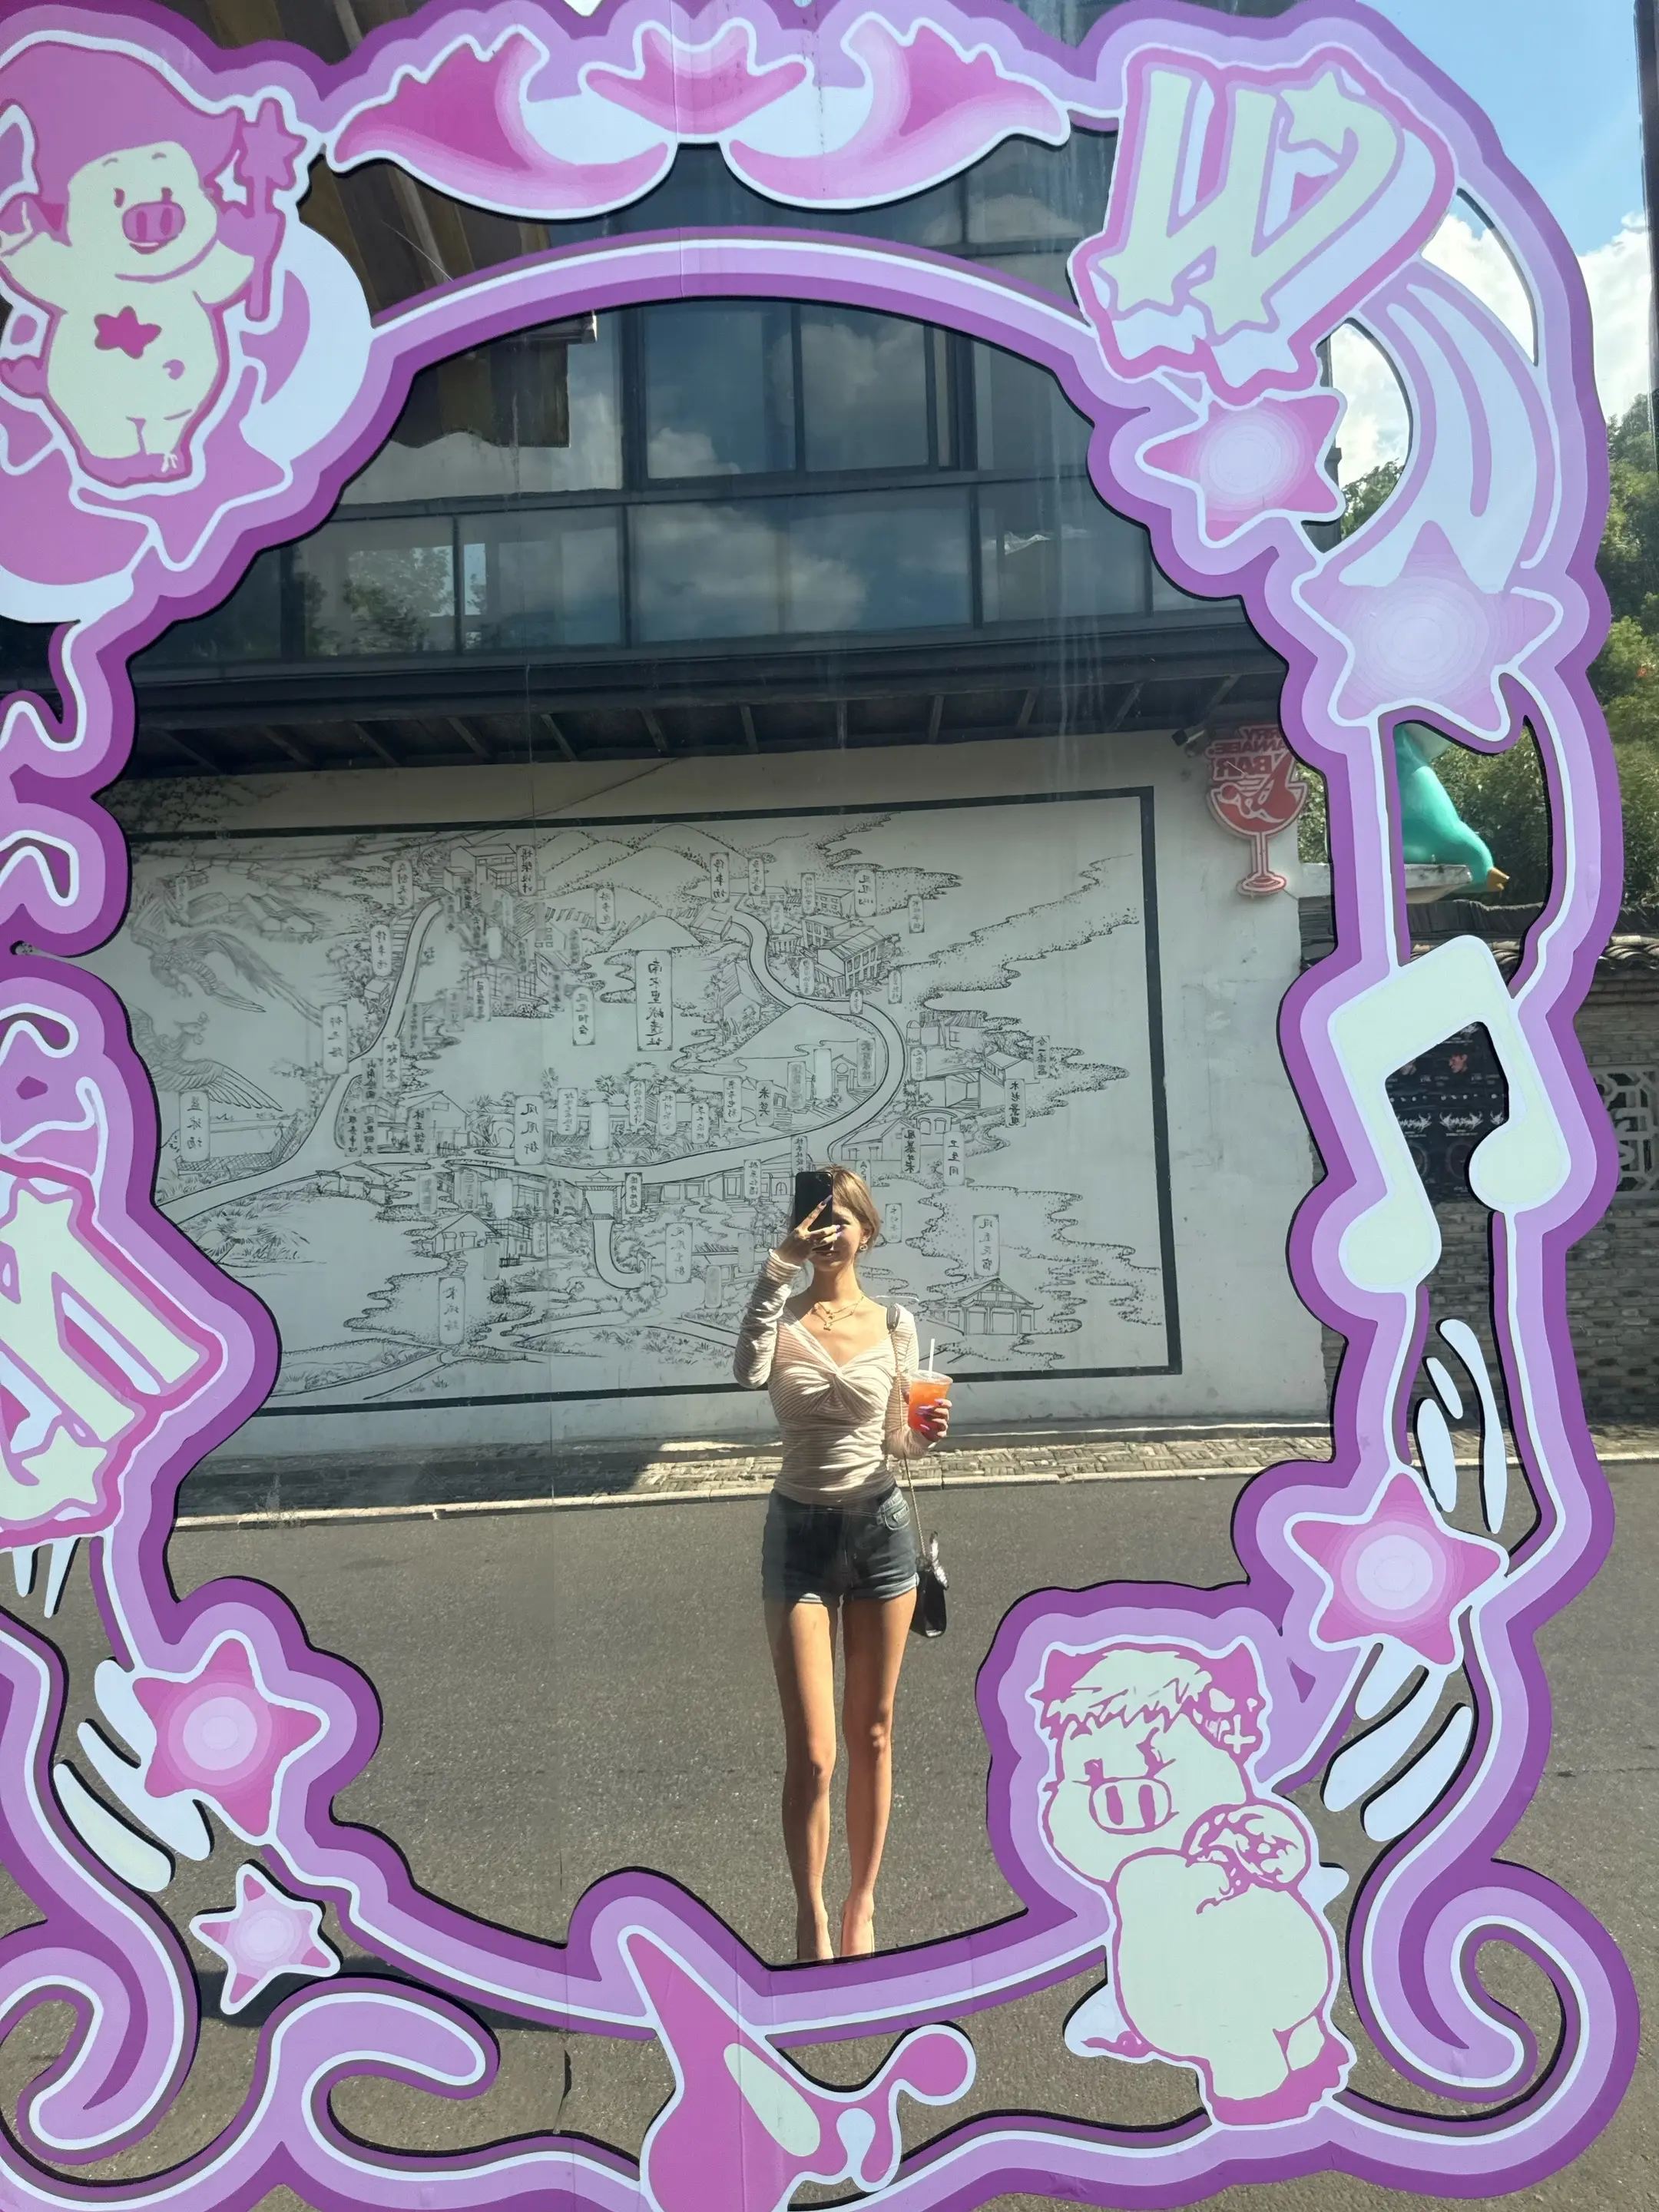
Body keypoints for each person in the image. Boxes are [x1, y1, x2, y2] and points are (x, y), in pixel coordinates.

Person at [733, 1166, 949, 1962]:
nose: (826, 1234)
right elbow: (747, 1372)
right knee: (815, 1754)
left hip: (880, 1531)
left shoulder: (895, 1322)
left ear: (867, 1230)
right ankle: (810, 1916)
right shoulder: (782, 1315)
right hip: (797, 1536)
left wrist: (925, 1435)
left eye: (839, 1221)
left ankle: (860, 1907)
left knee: (875, 1733)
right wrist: (776, 1269)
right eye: (813, 1222)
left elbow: (899, 1441)